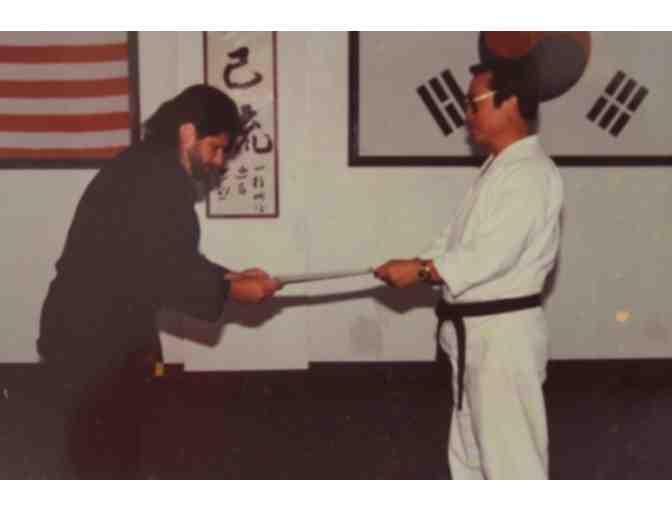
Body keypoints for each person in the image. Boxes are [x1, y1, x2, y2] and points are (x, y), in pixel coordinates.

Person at [36, 84, 281, 479]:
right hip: (92, 337)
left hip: (92, 330)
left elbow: (167, 256)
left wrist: (230, 276)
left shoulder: (146, 167)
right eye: (216, 148)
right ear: (188, 133)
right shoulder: (157, 178)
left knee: (106, 452)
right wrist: (234, 290)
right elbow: (169, 272)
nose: (219, 161)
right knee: (103, 459)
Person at [374, 59, 563, 479]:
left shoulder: (530, 173)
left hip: (503, 339)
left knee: (512, 462)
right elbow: (457, 241)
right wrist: (417, 263)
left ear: (510, 103)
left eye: (473, 104)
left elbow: (494, 254)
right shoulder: (499, 167)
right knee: (470, 454)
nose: (466, 115)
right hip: (477, 335)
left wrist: (424, 271)